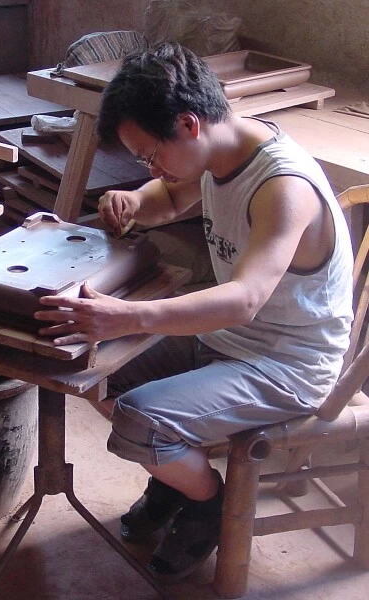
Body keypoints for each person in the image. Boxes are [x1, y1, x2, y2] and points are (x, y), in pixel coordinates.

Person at [34, 42, 354, 579]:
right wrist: (136, 201)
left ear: (189, 124)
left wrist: (131, 316)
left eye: (148, 154)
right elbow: (171, 196)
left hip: (290, 364)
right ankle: (175, 478)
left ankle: (206, 502)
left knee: (139, 420)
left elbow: (245, 299)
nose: (150, 166)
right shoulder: (219, 151)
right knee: (92, 368)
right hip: (231, 340)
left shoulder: (282, 186)